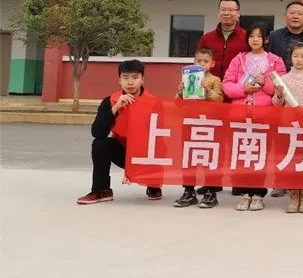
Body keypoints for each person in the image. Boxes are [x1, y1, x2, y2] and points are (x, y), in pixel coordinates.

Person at [76, 60, 162, 205]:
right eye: (125, 77)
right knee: (100, 144)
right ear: (119, 80)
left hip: (146, 154)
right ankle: (101, 190)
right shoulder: (110, 101)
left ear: (142, 79)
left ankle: (153, 184)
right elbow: (97, 132)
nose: (130, 82)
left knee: (161, 147)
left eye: (135, 77)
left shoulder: (154, 102)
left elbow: (163, 137)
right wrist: (116, 108)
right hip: (123, 151)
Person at [222, 22, 287, 211]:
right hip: (240, 115)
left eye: (259, 36)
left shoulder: (275, 61)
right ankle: (244, 193)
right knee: (242, 152)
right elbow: (227, 84)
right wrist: (244, 89)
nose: (255, 40)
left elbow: (281, 88)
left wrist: (264, 83)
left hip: (264, 115)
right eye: (251, 36)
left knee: (261, 154)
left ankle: (258, 193)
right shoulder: (238, 59)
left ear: (266, 39)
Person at [271, 42, 303, 213]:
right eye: (295, 56)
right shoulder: (283, 79)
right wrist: (279, 95)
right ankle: (293, 195)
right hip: (288, 126)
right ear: (290, 58)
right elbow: (276, 104)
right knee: (291, 159)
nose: (299, 59)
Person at [173, 48, 224, 209]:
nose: (202, 64)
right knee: (188, 158)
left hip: (209, 124)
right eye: (198, 61)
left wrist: (207, 90)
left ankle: (211, 192)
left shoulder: (215, 80)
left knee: (211, 158)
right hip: (190, 122)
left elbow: (220, 100)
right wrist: (180, 93)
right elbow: (177, 104)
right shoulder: (187, 78)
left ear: (212, 63)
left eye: (205, 61)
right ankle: (188, 191)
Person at [196, 0, 249, 80]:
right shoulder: (207, 38)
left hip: (237, 86)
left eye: (230, 10)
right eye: (223, 10)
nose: (226, 13)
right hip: (209, 86)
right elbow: (197, 62)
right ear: (219, 12)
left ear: (238, 13)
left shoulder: (247, 37)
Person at [269, 1, 303, 71]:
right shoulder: (274, 36)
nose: (295, 16)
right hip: (279, 77)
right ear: (285, 16)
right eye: (292, 13)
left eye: (300, 14)